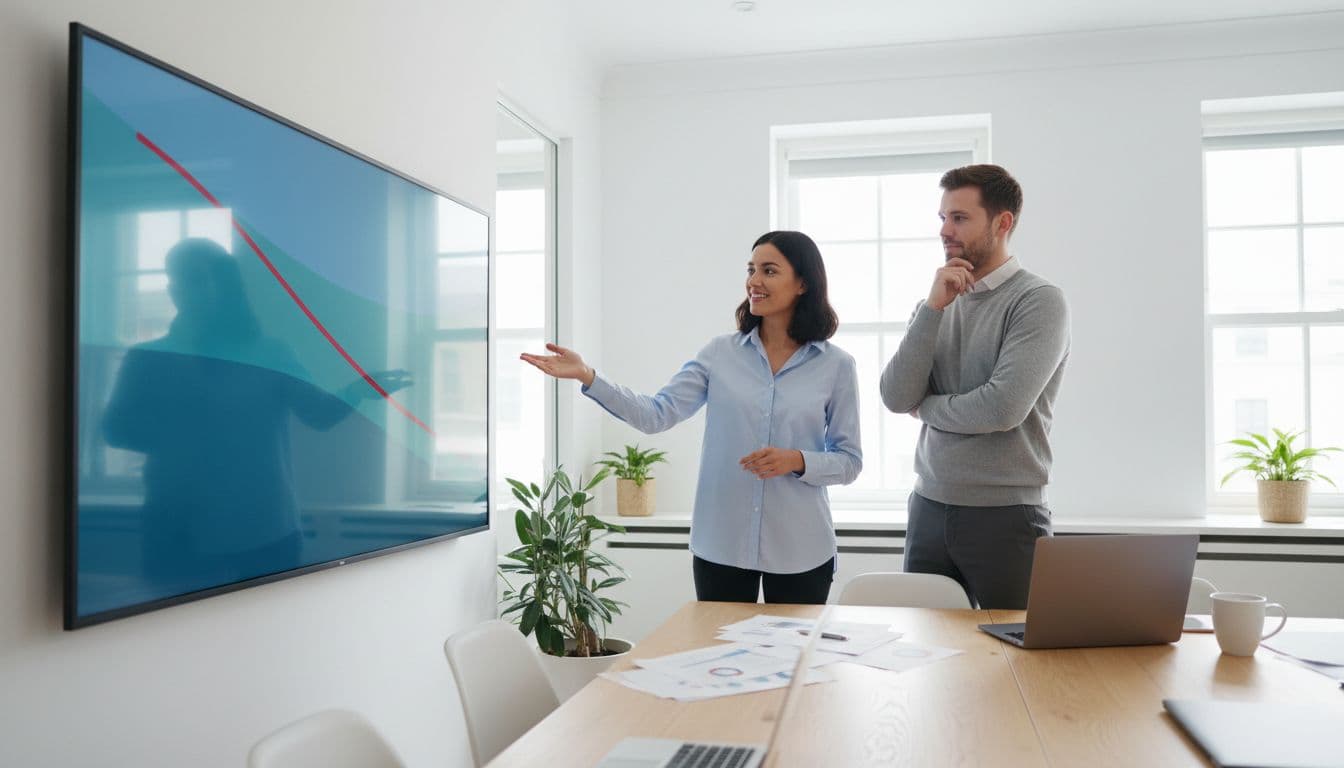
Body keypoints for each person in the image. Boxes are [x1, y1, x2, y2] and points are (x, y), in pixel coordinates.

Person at [521, 231, 862, 604]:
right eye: (751, 270)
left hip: (802, 547)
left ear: (803, 284)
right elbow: (656, 414)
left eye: (769, 270)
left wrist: (796, 460)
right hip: (721, 544)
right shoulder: (719, 354)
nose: (754, 281)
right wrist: (588, 376)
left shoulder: (836, 366)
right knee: (719, 659)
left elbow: (849, 461)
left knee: (795, 659)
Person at [102, 238, 409, 593]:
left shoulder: (269, 353)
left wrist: (358, 390)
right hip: (176, 526)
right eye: (178, 278)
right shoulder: (147, 358)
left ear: (225, 285)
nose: (184, 289)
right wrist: (190, 429)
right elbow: (116, 431)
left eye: (198, 278)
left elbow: (319, 414)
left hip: (264, 528)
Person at [879, 164, 1070, 610]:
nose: (945, 230)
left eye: (960, 218)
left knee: (1017, 662)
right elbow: (894, 396)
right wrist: (932, 309)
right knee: (927, 657)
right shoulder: (935, 302)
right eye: (942, 217)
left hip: (1007, 517)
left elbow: (1000, 409)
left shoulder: (1038, 301)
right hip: (927, 506)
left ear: (1003, 223)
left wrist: (925, 409)